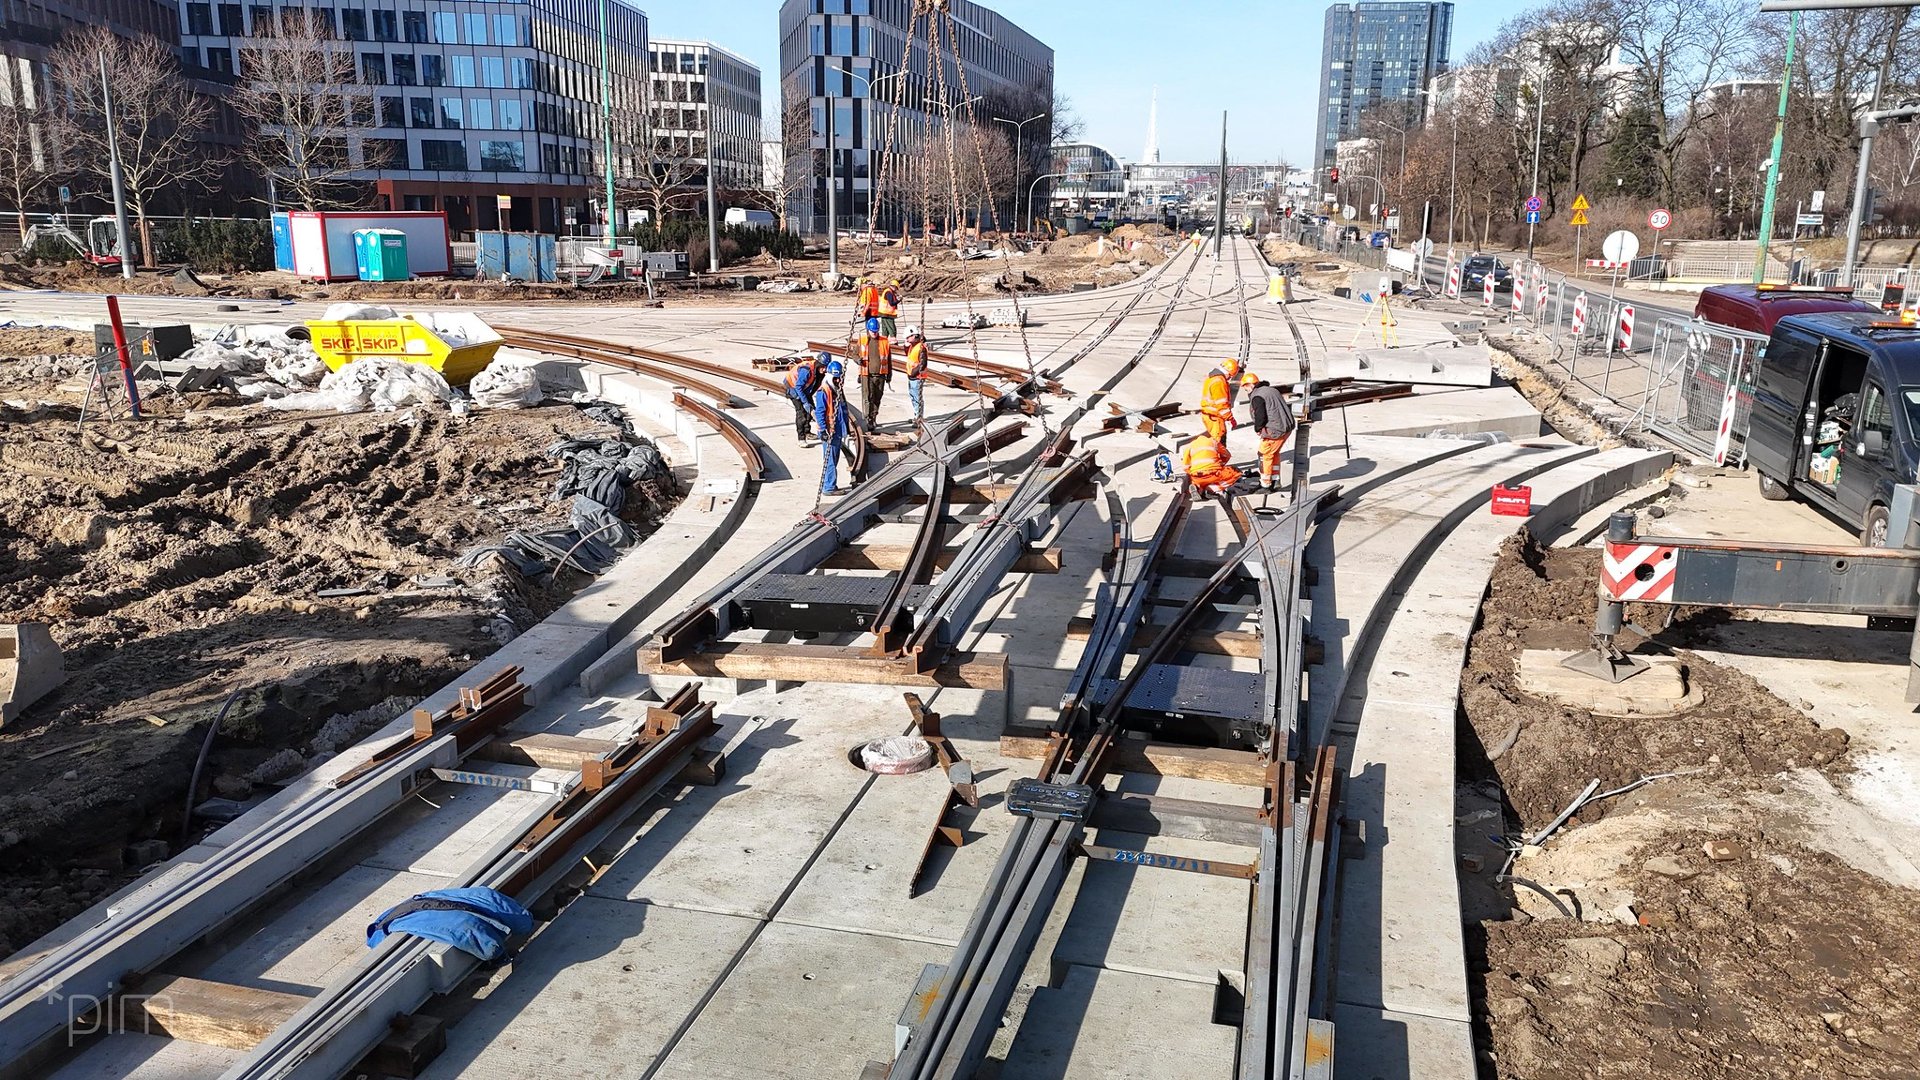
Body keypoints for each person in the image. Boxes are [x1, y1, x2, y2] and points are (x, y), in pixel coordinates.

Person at [1245, 375, 1296, 491]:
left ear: (1251, 385)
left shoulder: (1257, 396)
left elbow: (1260, 416)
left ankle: (1265, 484)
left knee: (1264, 455)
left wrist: (1258, 429)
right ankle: (1275, 479)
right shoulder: (1272, 390)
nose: (1246, 390)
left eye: (1246, 387)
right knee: (1275, 453)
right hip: (1286, 427)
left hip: (1275, 431)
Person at [814, 359, 851, 495]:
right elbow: (820, 412)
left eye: (839, 378)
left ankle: (830, 485)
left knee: (833, 459)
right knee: (830, 460)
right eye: (835, 378)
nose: (838, 381)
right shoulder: (823, 391)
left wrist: (846, 427)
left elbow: (843, 409)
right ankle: (829, 487)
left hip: (836, 430)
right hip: (829, 431)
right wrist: (823, 430)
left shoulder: (836, 390)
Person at [1181, 433, 1241, 502]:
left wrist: (1193, 473)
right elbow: (1227, 455)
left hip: (1196, 476)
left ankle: (1198, 488)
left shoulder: (1190, 446)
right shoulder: (1213, 442)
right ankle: (1210, 489)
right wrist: (1221, 465)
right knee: (1236, 473)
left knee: (1201, 482)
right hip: (1213, 474)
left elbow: (1185, 467)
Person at [856, 316, 892, 430]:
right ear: (868, 330)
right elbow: (854, 354)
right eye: (873, 331)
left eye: (876, 331)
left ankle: (874, 417)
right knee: (868, 397)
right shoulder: (862, 340)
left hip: (880, 375)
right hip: (867, 375)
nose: (874, 334)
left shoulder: (884, 342)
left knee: (877, 397)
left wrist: (889, 375)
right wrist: (858, 360)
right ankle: (868, 419)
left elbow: (889, 359)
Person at [785, 352, 826, 444]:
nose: (824, 370)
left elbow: (816, 385)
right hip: (793, 388)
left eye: (826, 367)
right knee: (802, 414)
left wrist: (809, 398)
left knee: (810, 412)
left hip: (804, 390)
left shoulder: (820, 372)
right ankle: (801, 438)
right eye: (823, 367)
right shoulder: (806, 370)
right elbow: (798, 387)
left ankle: (807, 432)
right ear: (818, 365)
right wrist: (805, 402)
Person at [1198, 357, 1241, 444]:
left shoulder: (1212, 377)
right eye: (1231, 376)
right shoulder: (1219, 381)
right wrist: (1230, 419)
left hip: (1210, 416)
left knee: (1214, 441)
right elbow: (1221, 405)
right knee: (1219, 444)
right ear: (1229, 373)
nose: (1229, 378)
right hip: (1215, 417)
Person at [903, 328, 929, 425]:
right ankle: (916, 415)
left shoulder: (920, 348)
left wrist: (914, 372)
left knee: (917, 398)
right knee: (913, 397)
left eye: (908, 337)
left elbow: (923, 363)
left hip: (917, 377)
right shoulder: (913, 346)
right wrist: (905, 346)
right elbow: (908, 355)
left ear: (914, 336)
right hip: (912, 377)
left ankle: (919, 418)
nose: (907, 339)